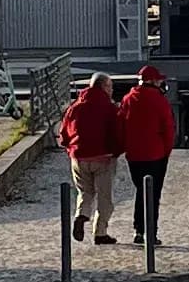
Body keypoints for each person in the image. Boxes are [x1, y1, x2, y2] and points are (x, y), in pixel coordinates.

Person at [117, 60, 177, 248]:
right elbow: (168, 128)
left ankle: (138, 230)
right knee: (153, 194)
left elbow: (121, 125)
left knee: (140, 191)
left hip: (134, 154)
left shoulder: (128, 99)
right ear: (153, 81)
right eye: (158, 81)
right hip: (155, 154)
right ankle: (150, 233)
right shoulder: (159, 100)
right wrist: (167, 150)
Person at [61, 69, 124, 244]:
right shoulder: (110, 108)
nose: (112, 90)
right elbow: (118, 133)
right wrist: (117, 151)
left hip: (78, 157)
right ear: (104, 87)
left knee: (85, 192)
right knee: (105, 197)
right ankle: (100, 232)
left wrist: (70, 148)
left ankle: (81, 215)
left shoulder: (75, 107)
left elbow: (64, 133)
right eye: (110, 87)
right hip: (103, 157)